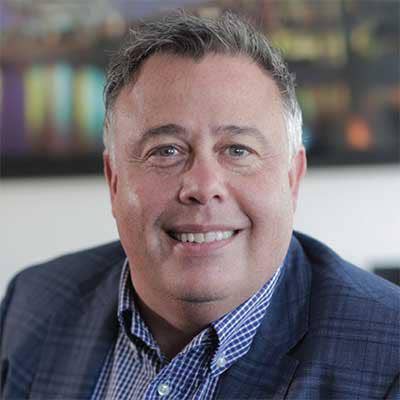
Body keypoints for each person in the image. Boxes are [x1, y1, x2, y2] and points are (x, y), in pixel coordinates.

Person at [1, 12, 399, 400]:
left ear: (292, 178)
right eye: (166, 150)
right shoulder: (34, 303)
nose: (203, 187)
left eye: (238, 150)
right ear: (114, 179)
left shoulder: (389, 356)